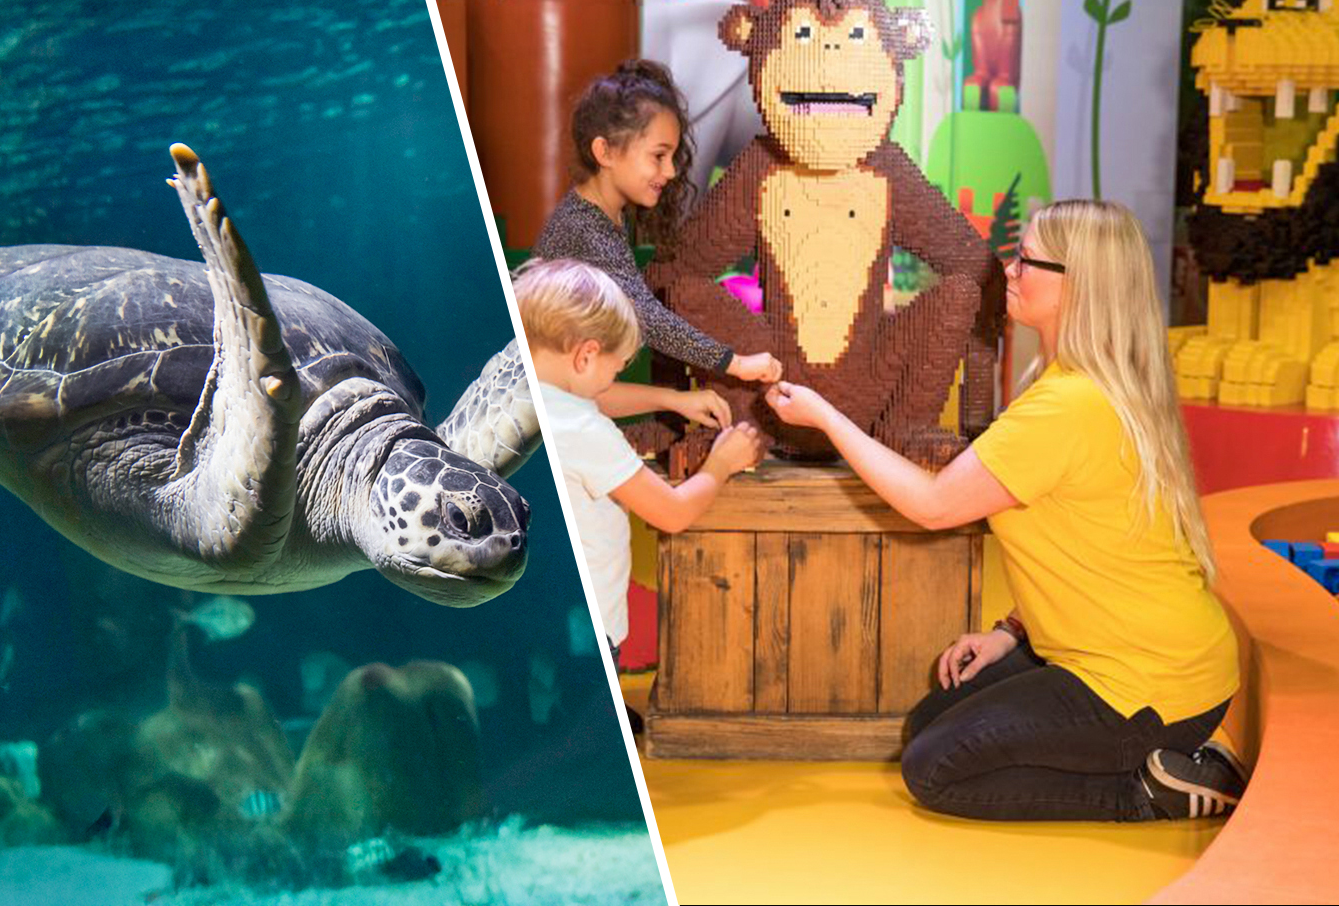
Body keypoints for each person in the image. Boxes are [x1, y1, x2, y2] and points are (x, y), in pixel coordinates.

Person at [764, 199, 1245, 821]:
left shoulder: (1067, 405)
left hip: (1146, 686)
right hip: (1137, 659)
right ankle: (1159, 753)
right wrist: (1008, 633)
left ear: (1079, 282)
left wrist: (827, 418)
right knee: (932, 719)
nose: (1009, 271)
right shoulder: (1078, 383)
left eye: (1026, 261)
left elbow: (934, 506)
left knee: (933, 770)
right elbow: (1089, 539)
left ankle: (1151, 791)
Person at [513, 258, 764, 728]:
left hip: (547, 610)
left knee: (555, 705)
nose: (614, 380)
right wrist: (722, 464)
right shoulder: (584, 429)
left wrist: (675, 400)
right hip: (587, 631)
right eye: (616, 367)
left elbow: (594, 394)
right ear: (585, 355)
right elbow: (670, 512)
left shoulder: (533, 393)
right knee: (581, 729)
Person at [533, 59, 782, 385]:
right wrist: (736, 363)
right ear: (605, 152)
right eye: (658, 156)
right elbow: (649, 319)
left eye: (672, 156)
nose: (671, 171)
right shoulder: (586, 229)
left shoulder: (608, 215)